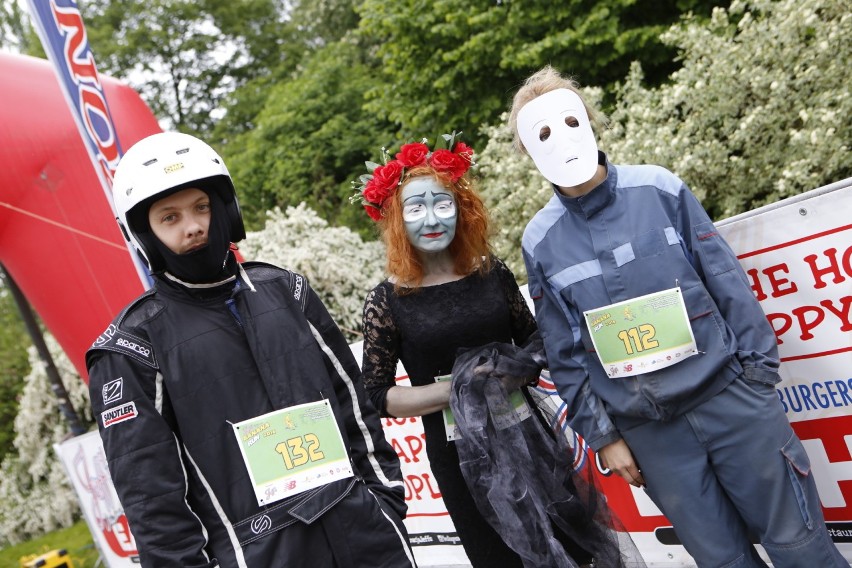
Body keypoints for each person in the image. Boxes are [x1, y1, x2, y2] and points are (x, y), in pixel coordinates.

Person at [509, 65, 847, 567]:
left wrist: (755, 378)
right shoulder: (540, 241)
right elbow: (565, 352)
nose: (559, 140)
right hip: (651, 436)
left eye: (567, 122)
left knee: (801, 547)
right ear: (527, 151)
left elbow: (726, 281)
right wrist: (605, 438)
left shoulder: (659, 190)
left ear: (590, 121)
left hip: (732, 402)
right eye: (540, 133)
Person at [86, 132, 415, 568]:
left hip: (367, 537)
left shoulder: (288, 292)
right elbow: (151, 499)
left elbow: (354, 407)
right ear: (144, 234)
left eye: (202, 207)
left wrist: (385, 500)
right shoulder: (131, 348)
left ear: (226, 210)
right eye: (170, 218)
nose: (193, 226)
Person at [357, 134, 610, 567]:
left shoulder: (493, 274)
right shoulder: (387, 302)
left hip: (530, 437)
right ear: (398, 220)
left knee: (572, 547)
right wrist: (461, 386)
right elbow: (377, 395)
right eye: (415, 208)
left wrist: (513, 369)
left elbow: (536, 339)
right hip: (459, 457)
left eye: (442, 203)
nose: (431, 218)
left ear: (461, 209)